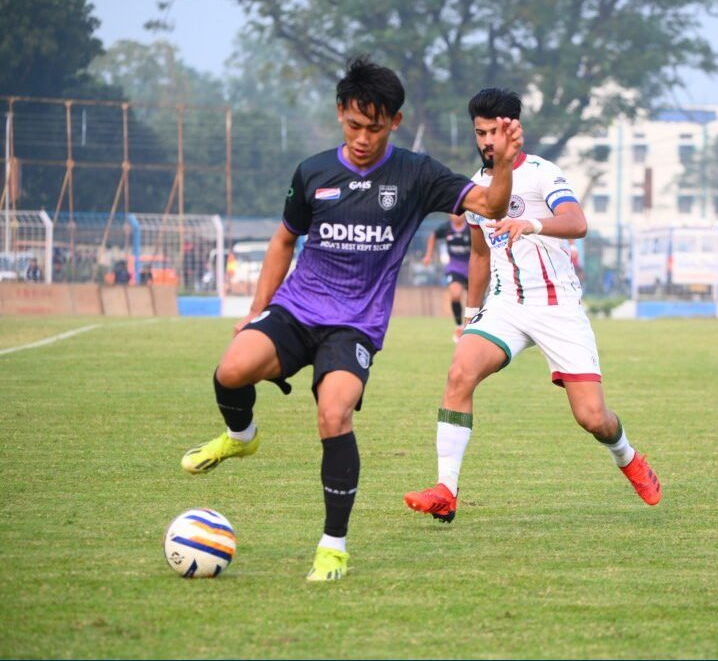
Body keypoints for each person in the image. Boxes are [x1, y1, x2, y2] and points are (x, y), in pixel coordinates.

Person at [178, 57, 522, 582]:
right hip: (296, 308)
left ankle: (332, 546)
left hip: (355, 325)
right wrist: (255, 313)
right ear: (341, 113)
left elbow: (493, 207)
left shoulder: (416, 173)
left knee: (334, 414)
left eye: (375, 127)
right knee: (230, 369)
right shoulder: (314, 172)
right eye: (354, 125)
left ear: (395, 123)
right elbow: (283, 240)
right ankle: (242, 436)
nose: (363, 138)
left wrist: (501, 160)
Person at [403, 88, 661, 524]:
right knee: (459, 373)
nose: (486, 141)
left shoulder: (543, 174)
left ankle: (627, 455)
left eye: (493, 131)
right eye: (480, 132)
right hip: (506, 305)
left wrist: (533, 222)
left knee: (592, 417)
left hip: (557, 306)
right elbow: (480, 255)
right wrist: (469, 318)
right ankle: (446, 490)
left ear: (513, 131)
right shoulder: (477, 187)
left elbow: (578, 223)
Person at [422, 212, 471, 342]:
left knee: (475, 301)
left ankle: (476, 329)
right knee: (455, 294)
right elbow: (433, 235)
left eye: (461, 213)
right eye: (455, 213)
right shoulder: (446, 228)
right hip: (455, 268)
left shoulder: (471, 228)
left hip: (472, 268)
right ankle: (459, 327)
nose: (458, 215)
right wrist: (428, 255)